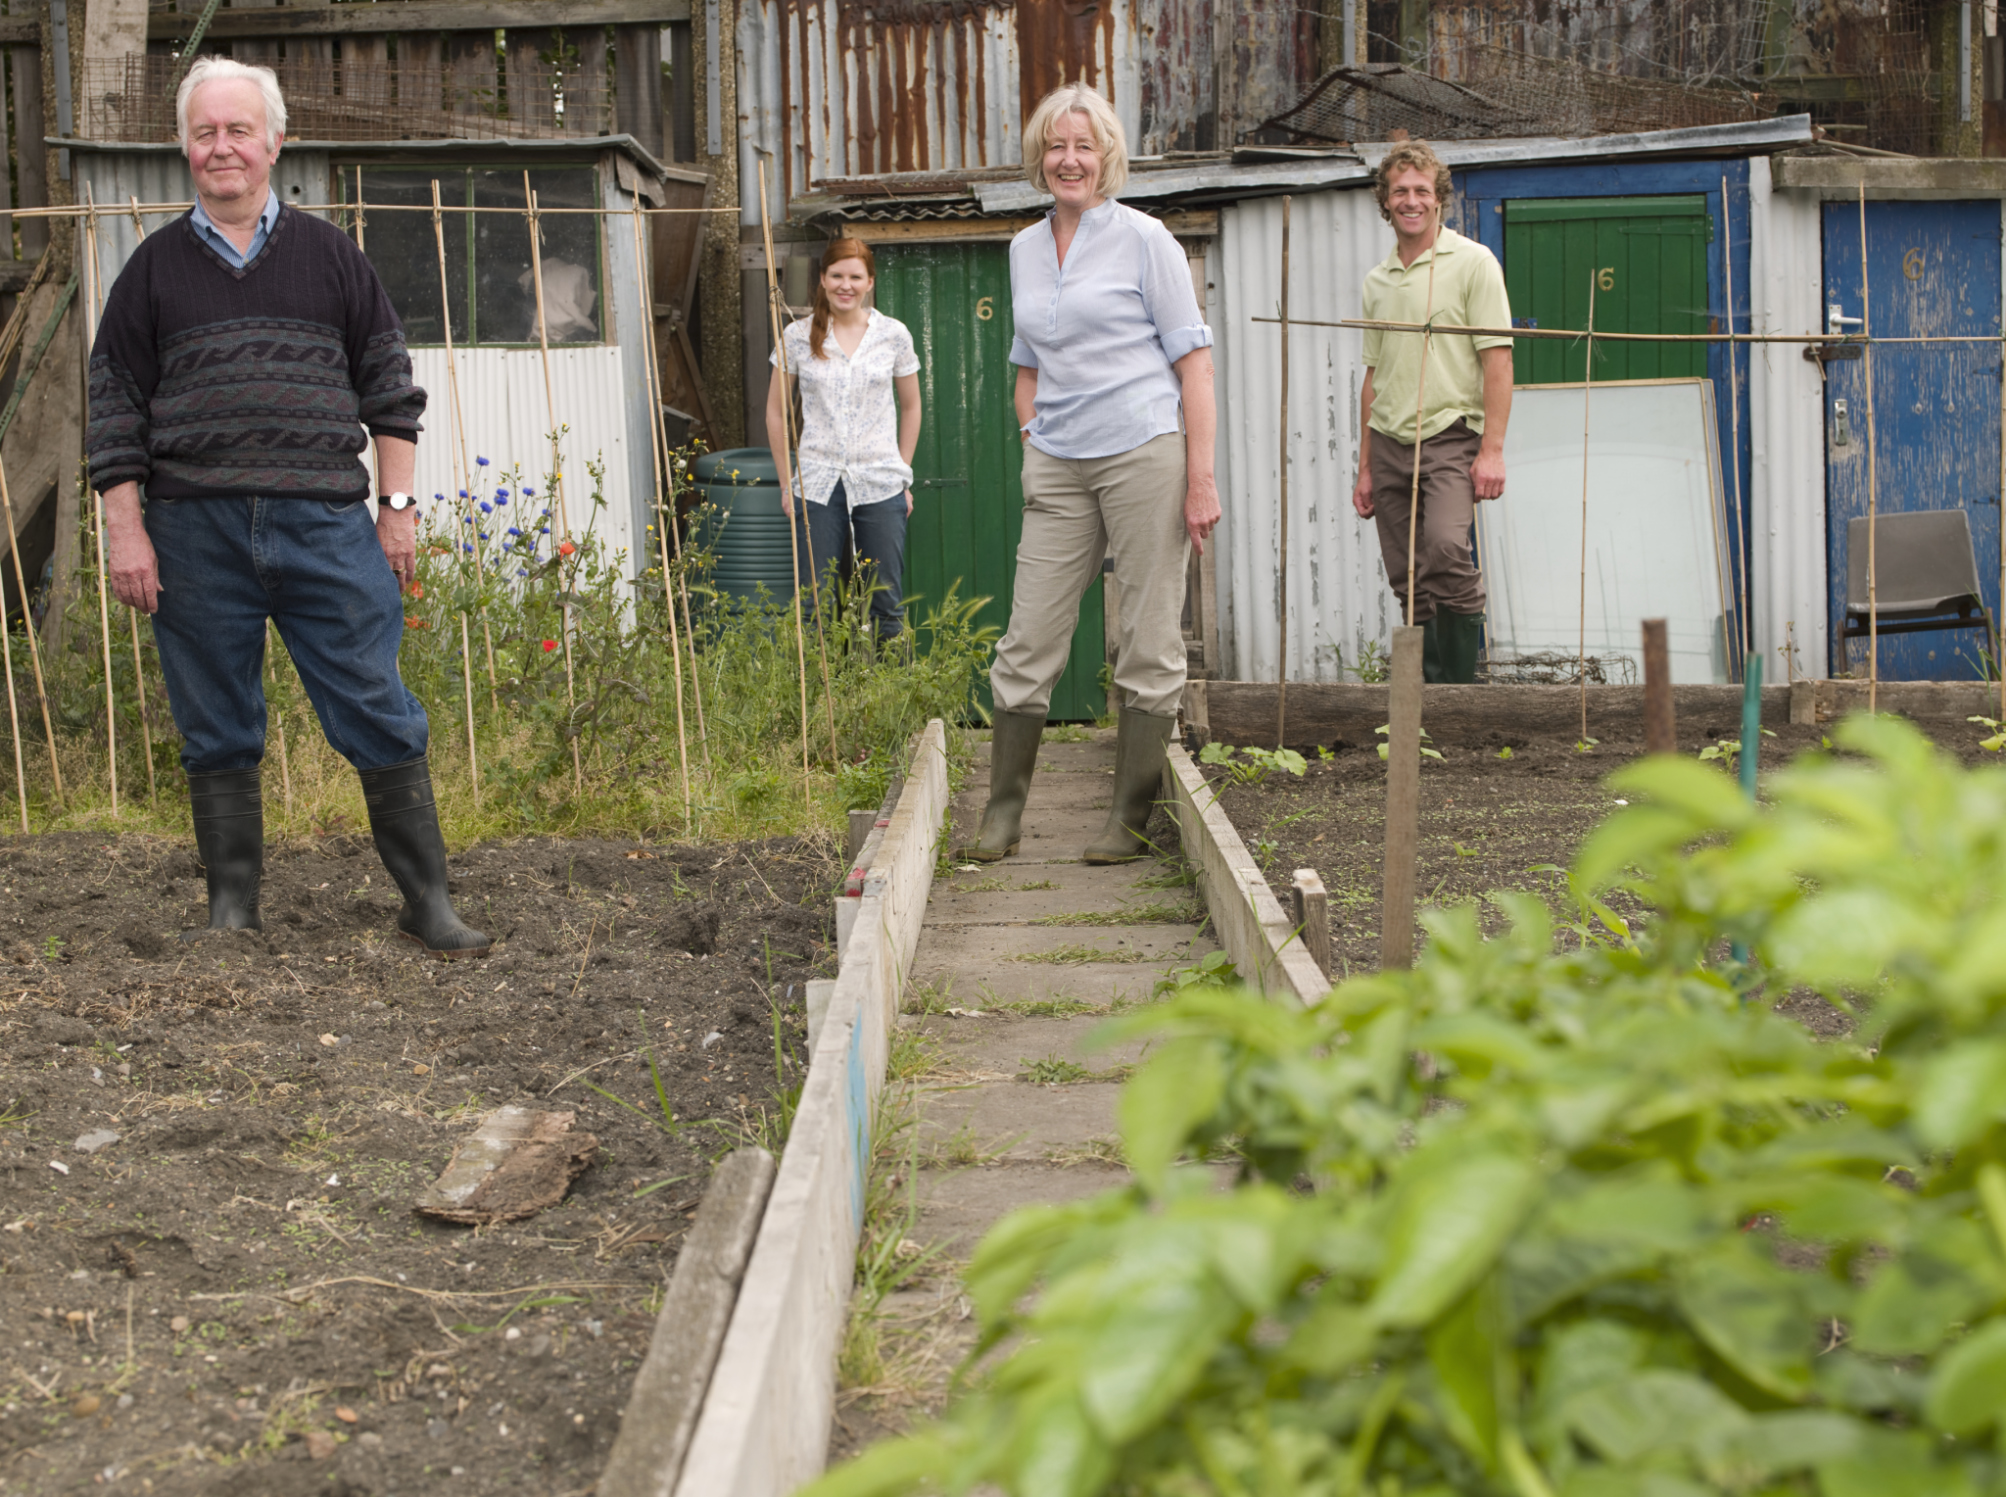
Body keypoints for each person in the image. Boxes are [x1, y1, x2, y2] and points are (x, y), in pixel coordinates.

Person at [87, 57, 487, 957]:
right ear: (184, 148)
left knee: (377, 703)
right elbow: (112, 406)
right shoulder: (150, 273)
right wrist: (127, 530)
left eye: (238, 130)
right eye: (203, 133)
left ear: (274, 142)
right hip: (193, 533)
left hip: (325, 527)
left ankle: (429, 904)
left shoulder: (333, 256)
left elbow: (390, 389)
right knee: (215, 721)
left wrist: (397, 509)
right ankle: (233, 910)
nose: (220, 147)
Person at [959, 82, 1219, 866]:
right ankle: (1003, 814)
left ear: (1108, 157)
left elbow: (1195, 366)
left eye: (1085, 146)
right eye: (1056, 146)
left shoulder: (1148, 240)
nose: (1069, 159)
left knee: (1145, 633)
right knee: (1029, 635)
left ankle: (1128, 819)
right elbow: (1028, 365)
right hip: (1061, 462)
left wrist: (1199, 476)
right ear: (1039, 158)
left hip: (1145, 450)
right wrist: (1032, 431)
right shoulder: (1024, 249)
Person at [1351, 140, 1514, 685]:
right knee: (1406, 575)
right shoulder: (1378, 282)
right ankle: (1425, 701)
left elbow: (1497, 360)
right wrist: (1366, 466)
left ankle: (1462, 692)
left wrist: (1491, 449)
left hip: (1450, 435)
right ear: (1386, 202)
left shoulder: (1472, 263)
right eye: (1400, 192)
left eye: (1422, 190)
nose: (1411, 201)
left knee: (1445, 548)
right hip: (1390, 441)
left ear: (1439, 198)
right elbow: (1373, 376)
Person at [765, 238, 922, 639]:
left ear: (870, 281)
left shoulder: (894, 335)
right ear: (822, 279)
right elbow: (775, 412)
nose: (845, 285)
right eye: (837, 275)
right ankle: (821, 697)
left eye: (855, 276)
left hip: (880, 481)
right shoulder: (798, 336)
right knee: (814, 603)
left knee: (886, 601)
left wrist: (902, 475)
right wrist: (787, 484)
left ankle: (889, 697)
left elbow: (911, 407)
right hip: (817, 484)